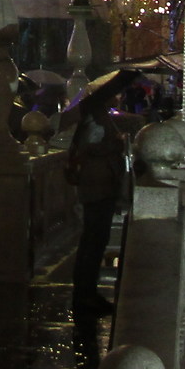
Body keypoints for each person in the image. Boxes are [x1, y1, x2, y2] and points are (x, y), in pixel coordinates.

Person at [65, 98, 128, 315]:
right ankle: (85, 294)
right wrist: (117, 143)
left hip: (99, 185)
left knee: (94, 240)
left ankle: (87, 292)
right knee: (94, 240)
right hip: (97, 187)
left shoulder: (95, 120)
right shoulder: (95, 121)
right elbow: (91, 149)